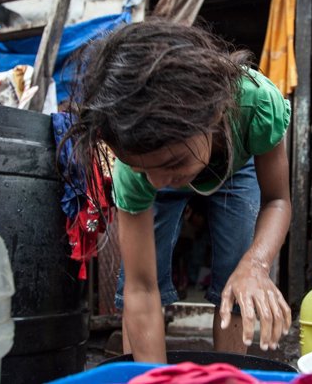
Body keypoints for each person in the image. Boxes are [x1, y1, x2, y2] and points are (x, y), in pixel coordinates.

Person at [65, 19, 293, 363]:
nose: (157, 182)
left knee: (238, 266)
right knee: (138, 281)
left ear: (214, 113)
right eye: (144, 169)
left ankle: (230, 374)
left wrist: (257, 264)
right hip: (167, 154)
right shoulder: (139, 167)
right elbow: (142, 289)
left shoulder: (255, 104)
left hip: (236, 162)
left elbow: (277, 201)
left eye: (171, 162)